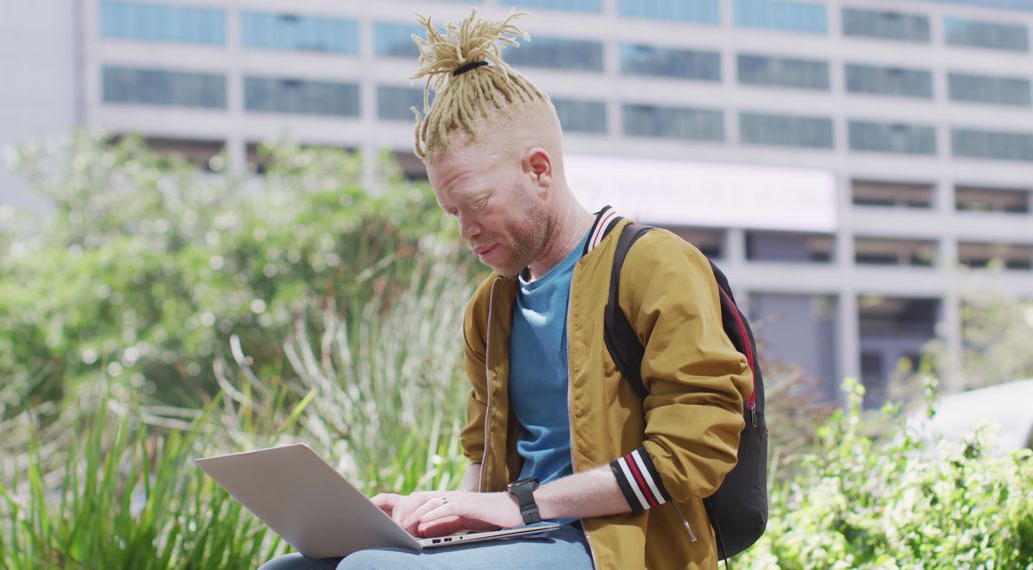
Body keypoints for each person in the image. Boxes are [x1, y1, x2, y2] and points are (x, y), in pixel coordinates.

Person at [260, 9, 752, 570]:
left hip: (621, 546)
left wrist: (520, 505)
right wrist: (436, 517)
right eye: (451, 212)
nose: (466, 231)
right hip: (527, 539)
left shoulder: (654, 265)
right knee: (289, 569)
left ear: (538, 170)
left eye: (476, 205)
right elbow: (482, 458)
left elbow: (693, 452)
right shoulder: (490, 307)